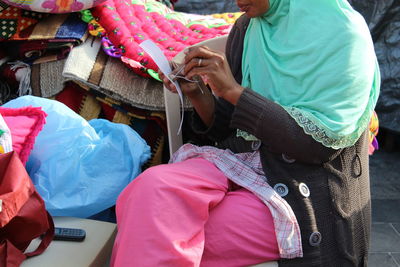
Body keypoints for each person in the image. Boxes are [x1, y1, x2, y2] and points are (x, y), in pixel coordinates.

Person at [111, 0, 380, 266]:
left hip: (304, 192)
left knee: (159, 232)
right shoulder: (250, 28)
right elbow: (228, 128)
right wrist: (198, 92)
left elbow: (317, 147)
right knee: (150, 191)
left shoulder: (345, 35)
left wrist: (234, 92)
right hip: (241, 165)